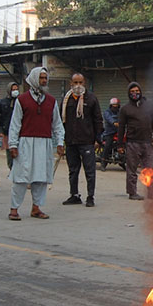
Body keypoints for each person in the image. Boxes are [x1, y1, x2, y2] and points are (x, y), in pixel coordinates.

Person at [7, 67, 64, 221]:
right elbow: (15, 124)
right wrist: (13, 145)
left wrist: (59, 142)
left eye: (45, 78)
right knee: (21, 177)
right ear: (33, 79)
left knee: (41, 177)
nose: (44, 81)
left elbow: (57, 124)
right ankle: (14, 209)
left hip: (44, 144)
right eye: (41, 78)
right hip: (25, 143)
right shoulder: (22, 100)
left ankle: (36, 208)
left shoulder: (51, 101)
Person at [61, 73, 103, 207]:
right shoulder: (66, 100)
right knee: (73, 170)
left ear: (84, 83)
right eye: (75, 82)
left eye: (80, 82)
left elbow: (98, 119)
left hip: (87, 141)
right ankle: (74, 195)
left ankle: (90, 197)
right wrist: (61, 139)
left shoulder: (91, 99)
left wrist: (98, 139)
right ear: (71, 83)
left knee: (90, 170)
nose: (78, 85)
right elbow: (60, 121)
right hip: (71, 141)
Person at [118, 81, 153, 200]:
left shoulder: (149, 106)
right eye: (132, 92)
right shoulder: (125, 109)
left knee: (150, 169)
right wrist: (120, 145)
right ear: (128, 94)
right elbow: (121, 127)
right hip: (132, 143)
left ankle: (151, 192)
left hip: (147, 143)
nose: (135, 93)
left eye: (137, 91)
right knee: (131, 169)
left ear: (140, 92)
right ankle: (132, 193)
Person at [0, 82, 20, 170]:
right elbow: (0, 117)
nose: (15, 91)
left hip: (19, 133)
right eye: (13, 90)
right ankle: (12, 170)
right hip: (7, 132)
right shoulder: (3, 102)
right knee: (10, 155)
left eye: (16, 89)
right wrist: (0, 131)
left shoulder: (20, 101)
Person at [101, 97, 120, 170]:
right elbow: (109, 118)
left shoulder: (120, 112)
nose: (115, 107)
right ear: (111, 106)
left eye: (116, 106)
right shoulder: (107, 112)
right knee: (108, 145)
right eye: (113, 106)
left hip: (119, 132)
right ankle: (103, 162)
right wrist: (114, 123)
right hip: (109, 132)